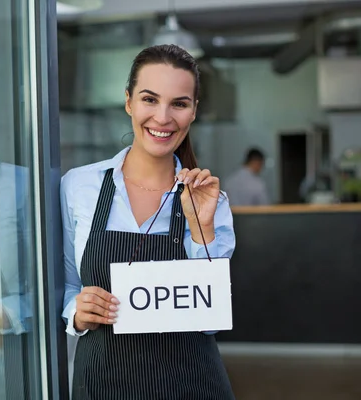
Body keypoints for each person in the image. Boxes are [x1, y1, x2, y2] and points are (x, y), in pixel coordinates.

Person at [61, 44, 236, 399]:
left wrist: (199, 225)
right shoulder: (79, 186)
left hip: (192, 385)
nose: (163, 117)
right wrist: (76, 313)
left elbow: (209, 320)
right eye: (149, 99)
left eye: (179, 103)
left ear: (193, 112)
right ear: (129, 102)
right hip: (102, 385)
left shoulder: (209, 201)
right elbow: (64, 286)